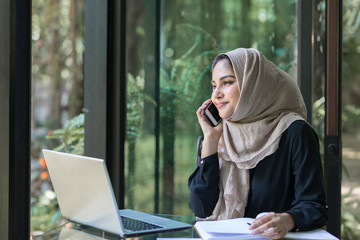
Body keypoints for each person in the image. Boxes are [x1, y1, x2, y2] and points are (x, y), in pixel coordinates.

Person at [188, 48, 328, 239]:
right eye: (214, 86)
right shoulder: (220, 135)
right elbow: (201, 208)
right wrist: (211, 139)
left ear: (252, 84)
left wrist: (288, 220)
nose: (216, 95)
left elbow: (315, 207)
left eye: (227, 82)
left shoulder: (295, 132)